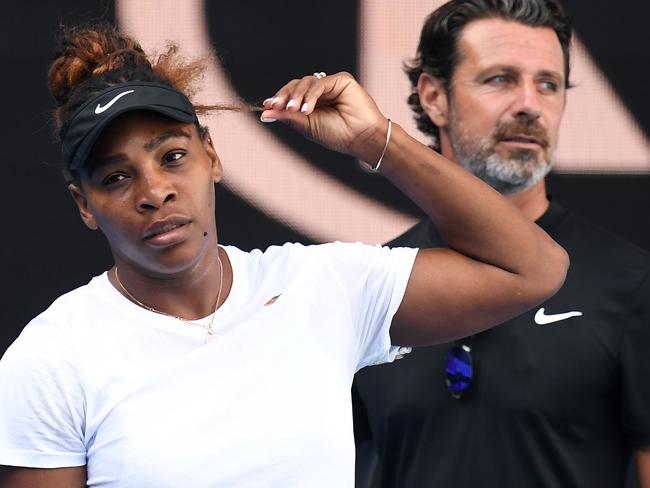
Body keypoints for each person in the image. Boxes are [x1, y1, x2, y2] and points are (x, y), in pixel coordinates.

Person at [0, 23, 567, 488]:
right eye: (117, 177)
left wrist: (375, 140)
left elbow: (532, 269)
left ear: (212, 157)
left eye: (172, 157)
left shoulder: (318, 286)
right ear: (84, 205)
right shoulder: (53, 356)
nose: (154, 192)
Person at [352, 1, 650, 487]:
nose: (530, 104)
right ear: (434, 97)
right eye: (500, 79)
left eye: (548, 84)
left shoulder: (632, 283)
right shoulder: (376, 283)